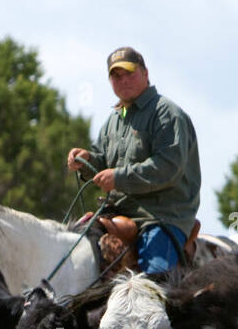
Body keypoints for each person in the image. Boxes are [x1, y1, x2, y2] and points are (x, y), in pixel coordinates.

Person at [67, 47, 201, 273]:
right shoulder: (114, 119)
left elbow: (167, 168)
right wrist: (87, 161)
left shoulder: (166, 114)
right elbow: (103, 163)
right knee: (69, 252)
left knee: (153, 281)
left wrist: (118, 178)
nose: (123, 81)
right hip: (118, 213)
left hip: (160, 216)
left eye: (130, 73)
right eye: (116, 76)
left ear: (145, 74)